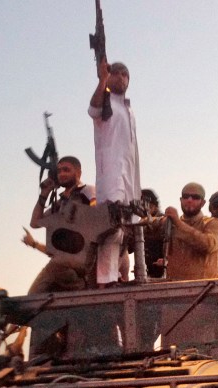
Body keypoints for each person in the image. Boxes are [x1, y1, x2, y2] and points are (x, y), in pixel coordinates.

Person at [89, 59, 140, 286]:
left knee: (128, 227)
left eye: (125, 74)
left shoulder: (128, 108)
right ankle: (106, 279)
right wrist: (101, 81)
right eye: (116, 73)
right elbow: (93, 108)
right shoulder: (105, 101)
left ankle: (120, 275)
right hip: (111, 173)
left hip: (129, 175)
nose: (121, 77)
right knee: (111, 228)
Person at [24, 155, 97, 293]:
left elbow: (96, 210)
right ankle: (79, 285)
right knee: (36, 295)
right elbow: (35, 223)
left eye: (66, 170)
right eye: (59, 171)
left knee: (33, 296)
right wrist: (44, 194)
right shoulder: (60, 204)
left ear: (78, 172)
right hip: (63, 261)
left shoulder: (87, 191)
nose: (62, 174)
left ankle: (82, 286)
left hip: (83, 257)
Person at [147, 183, 218, 280]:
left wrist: (178, 223)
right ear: (181, 200)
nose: (189, 200)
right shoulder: (172, 223)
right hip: (175, 289)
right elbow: (145, 225)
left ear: (203, 203)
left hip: (205, 290)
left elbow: (207, 245)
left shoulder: (212, 223)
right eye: (186, 196)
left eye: (195, 197)